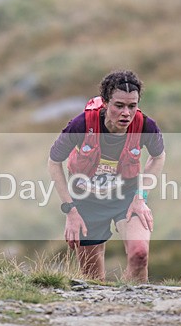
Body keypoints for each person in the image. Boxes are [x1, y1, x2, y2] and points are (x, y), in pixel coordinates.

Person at [47, 69, 165, 283]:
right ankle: (103, 312)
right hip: (87, 200)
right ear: (105, 103)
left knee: (139, 255)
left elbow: (158, 156)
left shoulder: (146, 126)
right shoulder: (81, 125)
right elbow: (54, 161)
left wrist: (141, 197)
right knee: (93, 281)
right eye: (119, 106)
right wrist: (70, 210)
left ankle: (135, 310)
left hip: (126, 197)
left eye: (132, 106)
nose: (126, 113)